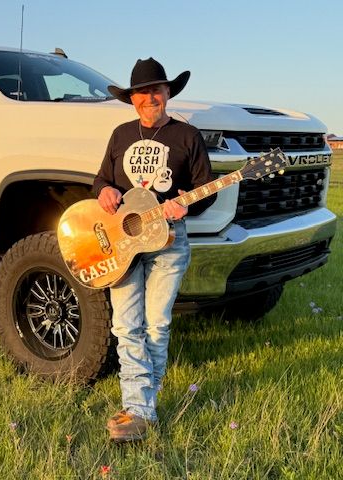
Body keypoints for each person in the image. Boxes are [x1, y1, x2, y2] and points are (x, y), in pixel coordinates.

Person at [92, 57, 215, 442]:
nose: (150, 98)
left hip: (168, 241)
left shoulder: (187, 136)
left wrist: (186, 205)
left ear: (167, 93)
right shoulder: (120, 135)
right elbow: (101, 180)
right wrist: (104, 191)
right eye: (142, 92)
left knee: (156, 324)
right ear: (132, 99)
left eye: (156, 90)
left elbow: (206, 191)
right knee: (126, 324)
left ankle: (141, 408)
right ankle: (141, 408)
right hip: (124, 243)